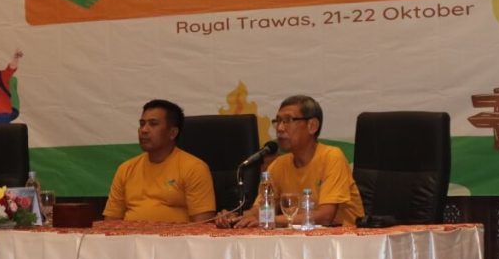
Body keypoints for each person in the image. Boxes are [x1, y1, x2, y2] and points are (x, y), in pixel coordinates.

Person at [217, 95, 364, 228]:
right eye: (278, 121)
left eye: (288, 120)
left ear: (312, 126)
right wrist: (235, 217)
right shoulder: (278, 165)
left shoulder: (332, 157)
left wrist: (270, 220)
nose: (280, 128)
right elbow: (260, 210)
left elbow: (325, 216)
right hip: (300, 241)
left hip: (344, 241)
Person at [103, 99, 216, 223]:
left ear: (172, 133)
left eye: (153, 124)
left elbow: (203, 225)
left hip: (175, 235)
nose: (144, 130)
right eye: (142, 124)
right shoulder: (126, 169)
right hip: (130, 235)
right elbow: (110, 222)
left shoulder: (194, 168)